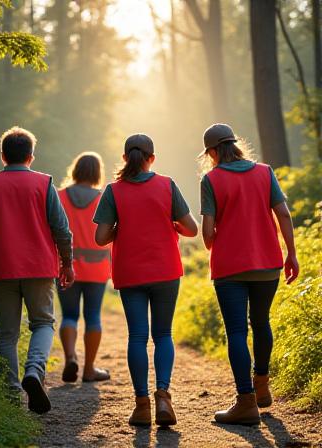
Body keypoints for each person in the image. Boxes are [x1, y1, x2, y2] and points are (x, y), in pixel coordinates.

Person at [0, 126, 74, 414]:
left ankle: (10, 399)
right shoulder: (44, 183)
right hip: (39, 267)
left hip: (1, 268)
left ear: (2, 156)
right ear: (31, 156)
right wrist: (67, 263)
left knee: (6, 335)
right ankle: (34, 371)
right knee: (43, 323)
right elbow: (62, 229)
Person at [94, 134, 198, 427]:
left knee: (138, 336)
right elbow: (192, 229)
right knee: (163, 335)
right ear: (152, 158)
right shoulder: (167, 185)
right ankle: (163, 396)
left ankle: (141, 405)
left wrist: (121, 227)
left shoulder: (114, 191)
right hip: (165, 270)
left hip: (131, 273)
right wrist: (169, 221)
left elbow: (100, 237)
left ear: (126, 158)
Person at [199, 123, 299, 425]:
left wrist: (219, 237)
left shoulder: (211, 179)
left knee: (237, 332)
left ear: (213, 152)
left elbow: (207, 234)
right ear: (236, 144)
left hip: (229, 268)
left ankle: (245, 402)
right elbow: (283, 213)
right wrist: (291, 253)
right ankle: (262, 386)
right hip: (267, 263)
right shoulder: (265, 172)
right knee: (261, 321)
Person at [57, 152, 111, 383]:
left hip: (65, 267)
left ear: (75, 170)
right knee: (93, 317)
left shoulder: (58, 197)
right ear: (98, 173)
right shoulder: (103, 199)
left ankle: (70, 358)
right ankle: (89, 369)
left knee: (69, 315)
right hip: (98, 267)